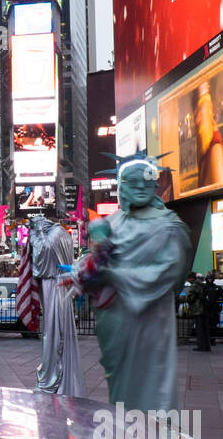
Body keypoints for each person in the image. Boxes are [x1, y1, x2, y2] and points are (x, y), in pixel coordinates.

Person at [75, 153, 193, 412]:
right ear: (120, 185)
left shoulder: (170, 227)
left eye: (146, 180)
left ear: (155, 185)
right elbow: (89, 265)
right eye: (131, 181)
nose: (139, 186)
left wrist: (113, 275)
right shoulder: (108, 224)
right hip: (116, 325)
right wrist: (86, 274)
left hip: (151, 323)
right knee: (121, 393)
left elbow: (170, 272)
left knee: (152, 389)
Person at [28, 208, 83, 396]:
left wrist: (36, 233)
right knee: (53, 333)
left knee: (53, 334)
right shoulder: (62, 233)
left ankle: (52, 379)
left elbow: (41, 261)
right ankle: (53, 377)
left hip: (55, 287)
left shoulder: (52, 235)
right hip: (58, 286)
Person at [184, 274, 210, 351]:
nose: (188, 280)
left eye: (188, 279)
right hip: (205, 309)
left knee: (199, 329)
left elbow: (190, 298)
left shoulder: (194, 286)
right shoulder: (202, 284)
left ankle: (201, 346)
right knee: (205, 329)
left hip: (198, 309)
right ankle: (207, 346)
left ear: (191, 278)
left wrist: (184, 298)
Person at [204, 272, 223, 346]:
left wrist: (217, 302)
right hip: (206, 309)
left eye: (211, 279)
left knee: (213, 326)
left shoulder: (217, 288)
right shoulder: (204, 287)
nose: (210, 280)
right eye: (208, 278)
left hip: (214, 309)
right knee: (206, 325)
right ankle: (206, 340)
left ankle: (212, 340)